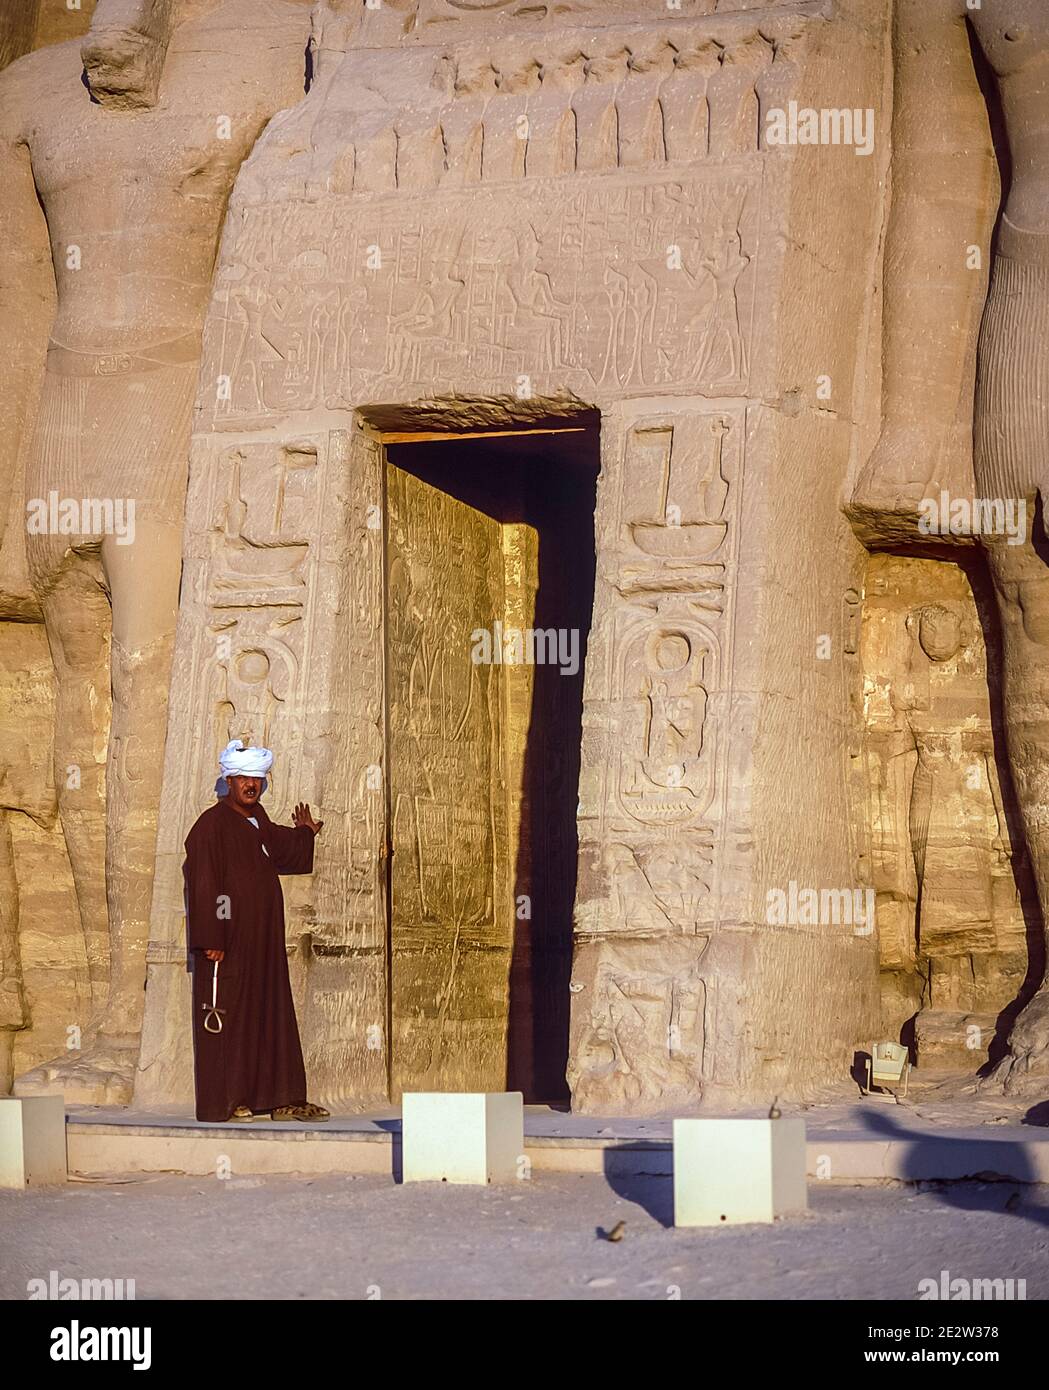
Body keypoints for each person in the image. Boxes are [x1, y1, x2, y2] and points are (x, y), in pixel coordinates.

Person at [183, 739, 329, 1123]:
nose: (251, 785)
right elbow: (204, 883)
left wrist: (306, 833)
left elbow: (283, 849)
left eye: (257, 780)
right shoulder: (210, 827)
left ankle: (274, 1097)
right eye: (244, 778)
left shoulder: (258, 819)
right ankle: (226, 1102)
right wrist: (212, 939)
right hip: (229, 943)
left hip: (263, 942)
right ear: (229, 780)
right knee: (229, 1018)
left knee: (265, 1014)